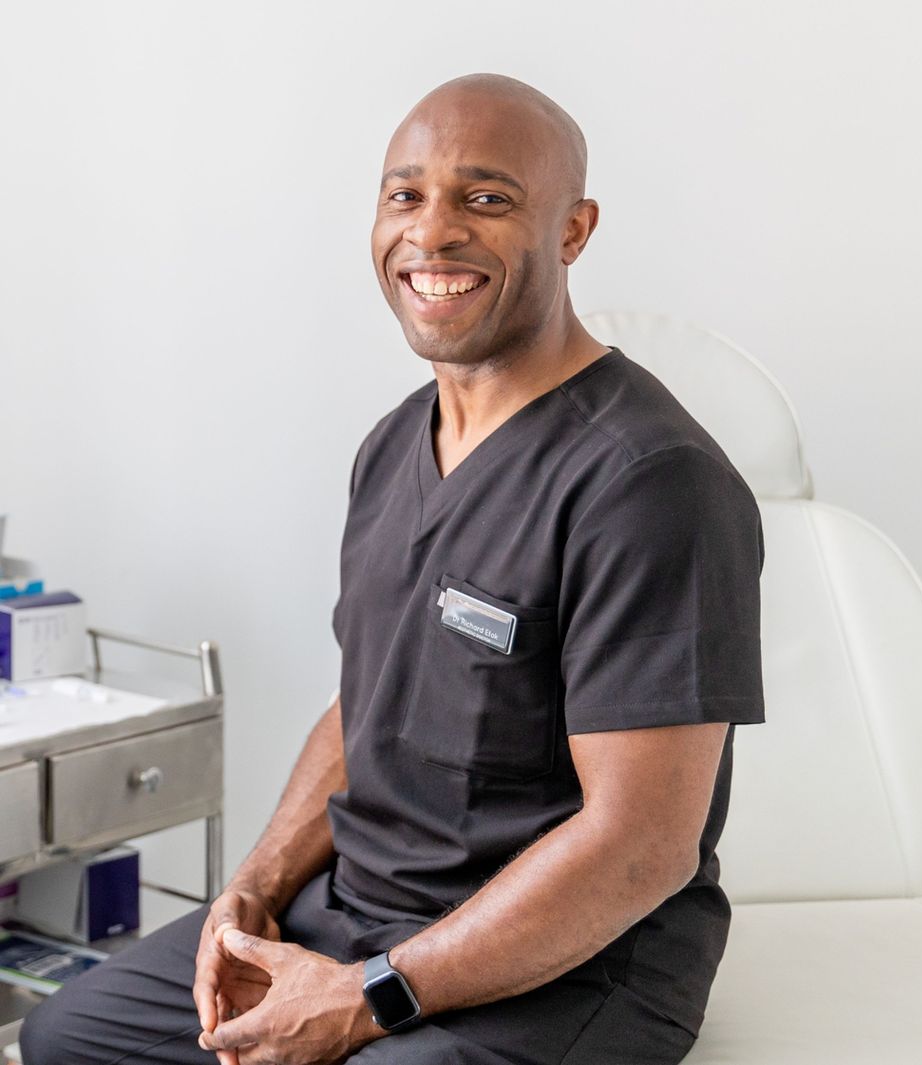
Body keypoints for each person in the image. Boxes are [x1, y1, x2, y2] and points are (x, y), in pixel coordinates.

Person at [19, 73, 766, 1065]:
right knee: (70, 1038)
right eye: (404, 195)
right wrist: (256, 887)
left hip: (567, 968)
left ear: (572, 229)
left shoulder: (649, 482)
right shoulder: (390, 447)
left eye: (486, 199)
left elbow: (641, 849)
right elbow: (362, 703)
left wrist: (370, 997)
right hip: (357, 915)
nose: (431, 231)